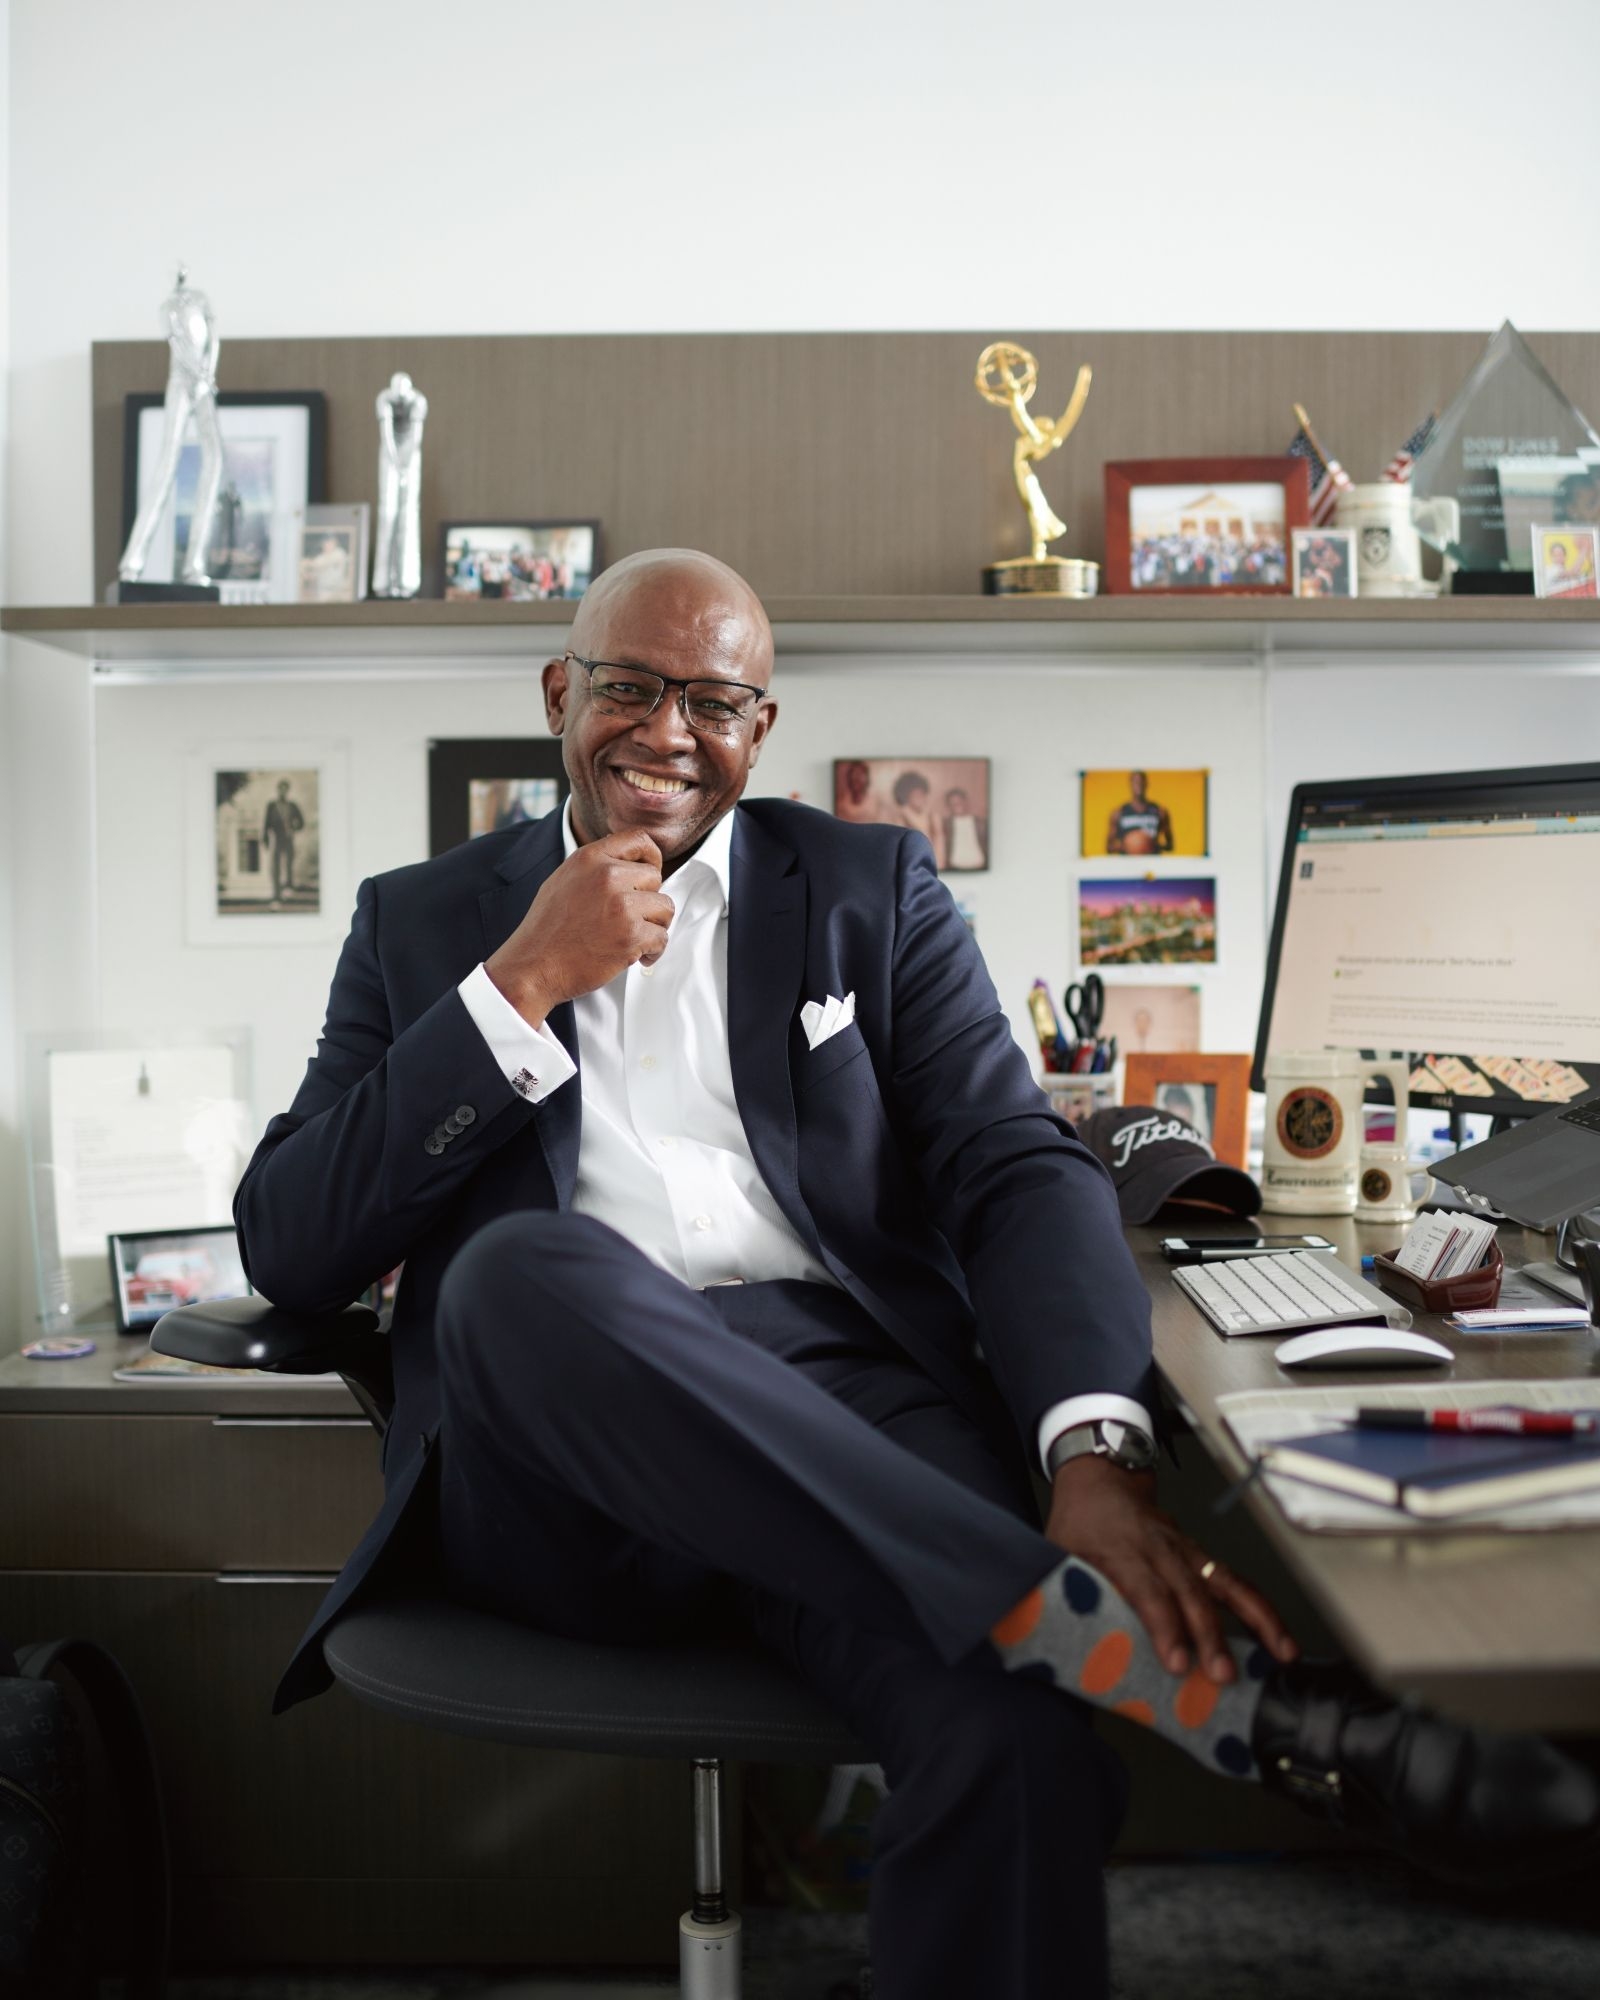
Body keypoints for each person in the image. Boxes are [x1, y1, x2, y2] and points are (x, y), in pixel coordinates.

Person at [237, 550, 1599, 1999]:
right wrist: (518, 989)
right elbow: (292, 1241)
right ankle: (1222, 1697)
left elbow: (1014, 1168)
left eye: (712, 700)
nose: (668, 732)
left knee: (1019, 1742)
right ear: (562, 692)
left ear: (761, 729)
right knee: (517, 1276)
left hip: (848, 1413)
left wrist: (1095, 1457)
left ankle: (1083, 1652)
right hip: (566, 1454)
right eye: (630, 688)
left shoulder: (866, 888)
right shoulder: (422, 922)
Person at [1106, 770, 1174, 855]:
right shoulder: (1119, 813)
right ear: (1130, 784)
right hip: (1127, 864)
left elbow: (1170, 845)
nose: (1139, 784)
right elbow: (1109, 847)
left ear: (1146, 784)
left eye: (1141, 781)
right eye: (1136, 781)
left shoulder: (1159, 811)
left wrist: (1151, 845)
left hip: (1151, 863)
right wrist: (1128, 846)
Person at [262, 778, 304, 903]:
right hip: (276, 839)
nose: (283, 792)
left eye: (285, 790)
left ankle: (288, 891)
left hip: (289, 839)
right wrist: (265, 839)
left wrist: (294, 828)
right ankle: (276, 894)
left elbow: (301, 822)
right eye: (281, 789)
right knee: (276, 867)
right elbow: (266, 824)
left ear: (288, 791)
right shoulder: (271, 805)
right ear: (278, 790)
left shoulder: (293, 806)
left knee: (288, 866)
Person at [942, 784, 987, 871]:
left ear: (965, 802)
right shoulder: (945, 824)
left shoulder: (980, 822)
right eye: (952, 803)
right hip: (955, 869)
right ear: (948, 805)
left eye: (959, 801)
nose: (956, 805)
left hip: (980, 868)